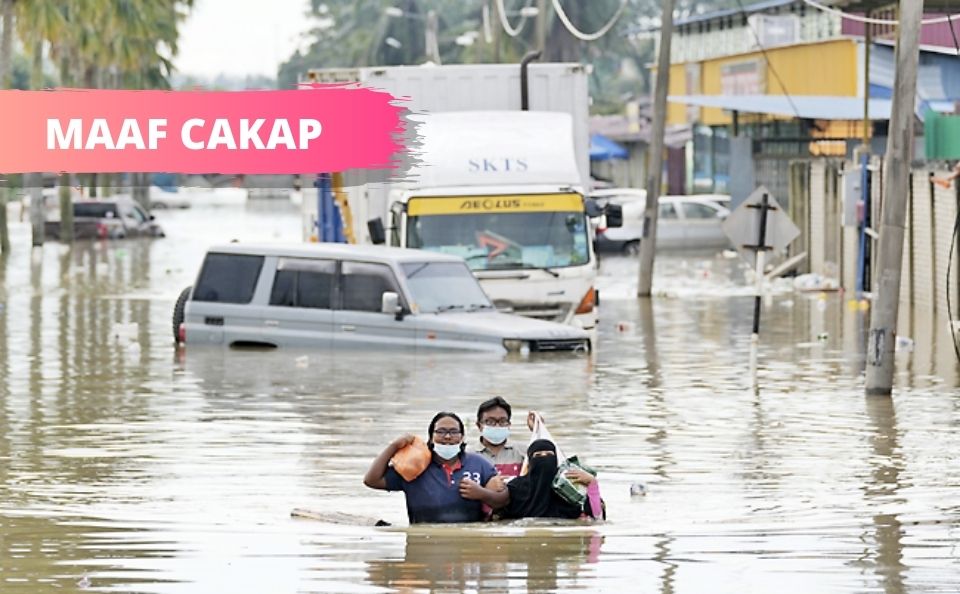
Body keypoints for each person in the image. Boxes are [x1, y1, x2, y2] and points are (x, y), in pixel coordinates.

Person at [363, 411, 504, 524]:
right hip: (423, 549)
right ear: (430, 437)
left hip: (467, 549)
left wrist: (481, 493)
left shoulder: (478, 464)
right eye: (441, 431)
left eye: (454, 432)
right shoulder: (415, 466)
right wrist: (394, 446)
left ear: (462, 438)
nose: (448, 436)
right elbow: (372, 480)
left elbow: (504, 500)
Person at [500, 439, 603, 521]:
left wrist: (592, 484)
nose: (544, 460)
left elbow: (597, 517)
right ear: (530, 461)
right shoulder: (516, 488)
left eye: (549, 455)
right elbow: (496, 517)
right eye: (538, 456)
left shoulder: (568, 486)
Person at [474, 397, 526, 479]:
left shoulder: (524, 453)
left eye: (502, 421)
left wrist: (537, 428)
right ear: (479, 425)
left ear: (509, 424)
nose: (497, 426)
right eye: (490, 422)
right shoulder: (467, 455)